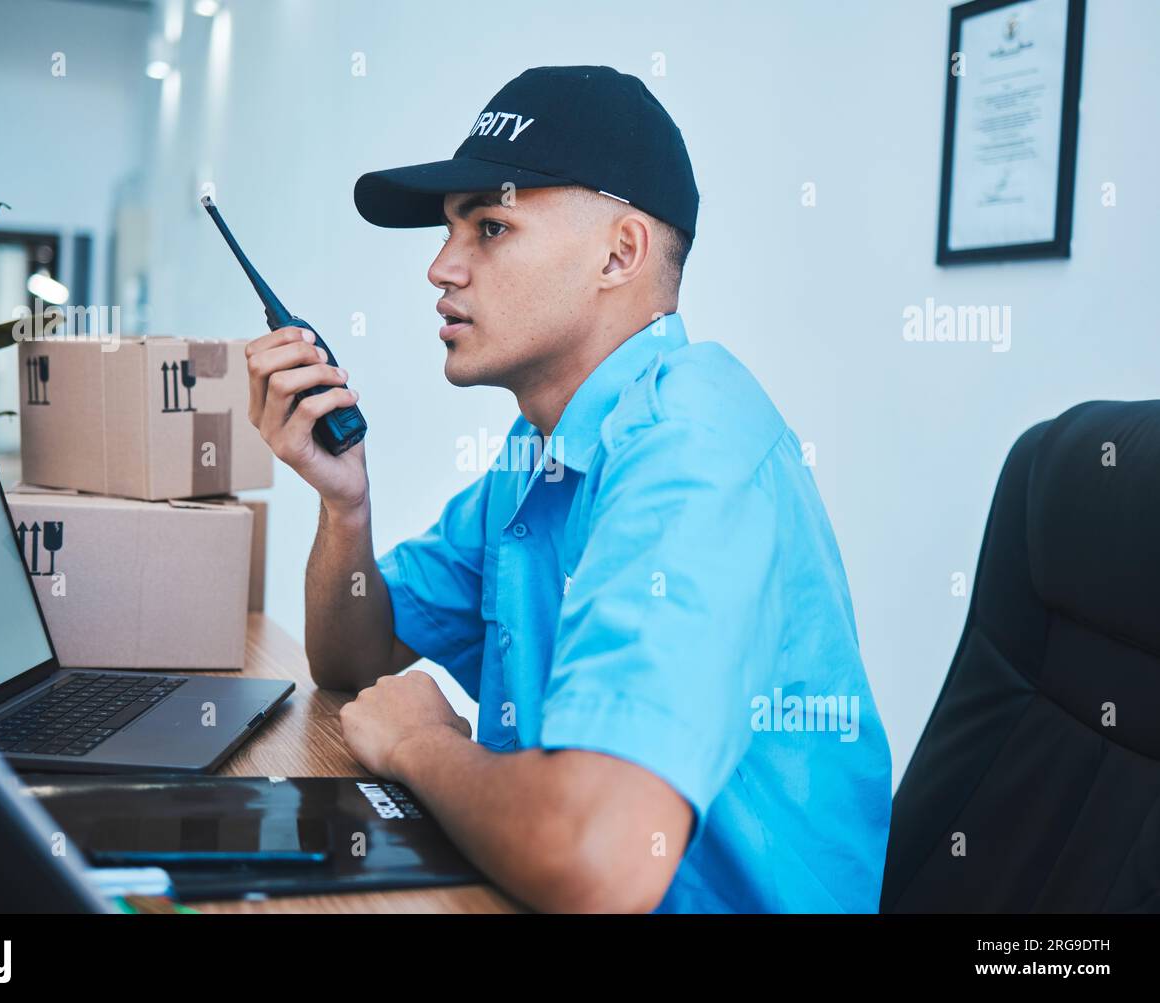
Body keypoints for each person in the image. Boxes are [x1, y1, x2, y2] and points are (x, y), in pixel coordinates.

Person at [244, 65, 891, 913]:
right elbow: (353, 658)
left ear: (620, 253)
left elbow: (599, 856)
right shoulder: (540, 450)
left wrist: (420, 744)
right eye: (449, 230)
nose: (440, 267)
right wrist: (345, 505)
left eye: (491, 227)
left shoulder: (693, 454)